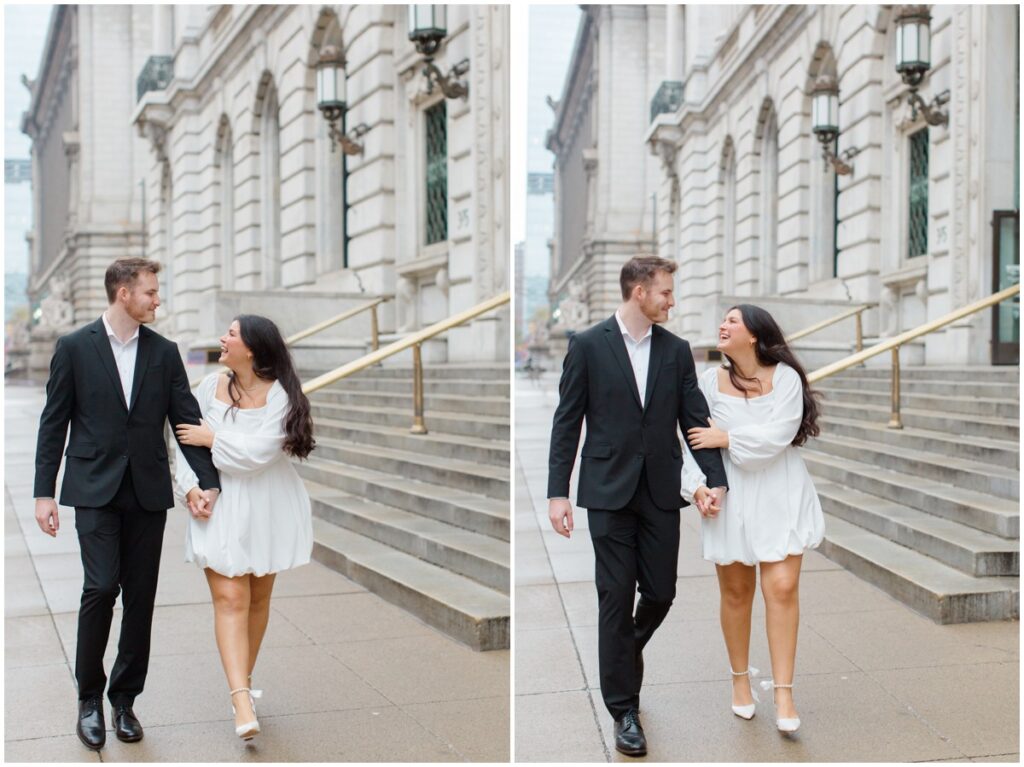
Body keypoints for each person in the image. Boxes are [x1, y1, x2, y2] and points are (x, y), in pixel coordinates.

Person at [33, 258, 221, 751]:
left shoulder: (164, 352)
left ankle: (124, 700)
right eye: (151, 292)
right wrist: (42, 493)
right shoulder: (74, 347)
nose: (158, 300)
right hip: (92, 488)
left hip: (146, 491)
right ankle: (89, 700)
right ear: (123, 293)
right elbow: (54, 423)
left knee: (140, 597)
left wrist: (208, 482)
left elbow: (185, 419)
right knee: (100, 588)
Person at [547, 255, 729, 756]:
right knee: (614, 596)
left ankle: (622, 652)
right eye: (666, 292)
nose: (673, 300)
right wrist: (557, 492)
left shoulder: (676, 351)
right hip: (607, 491)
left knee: (662, 591)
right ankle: (624, 709)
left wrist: (715, 481)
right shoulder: (587, 345)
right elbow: (567, 422)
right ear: (638, 293)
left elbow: (695, 420)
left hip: (659, 491)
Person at [682, 304, 825, 735]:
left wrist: (726, 436)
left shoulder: (786, 380)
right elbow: (690, 442)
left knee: (781, 587)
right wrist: (697, 487)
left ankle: (783, 691)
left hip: (780, 490)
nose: (722, 325)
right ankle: (740, 680)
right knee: (737, 591)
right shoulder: (708, 382)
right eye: (722, 319)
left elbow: (777, 436)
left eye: (732, 321)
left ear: (755, 336)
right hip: (731, 495)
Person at [174, 314, 314, 741]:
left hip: (268, 505)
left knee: (257, 599)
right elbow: (182, 440)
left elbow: (256, 456)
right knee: (231, 597)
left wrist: (212, 439)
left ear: (251, 347)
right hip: (218, 504)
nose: (222, 338)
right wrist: (190, 487)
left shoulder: (282, 396)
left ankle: (244, 682)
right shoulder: (209, 387)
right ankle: (239, 696)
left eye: (231, 334)